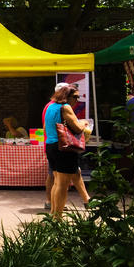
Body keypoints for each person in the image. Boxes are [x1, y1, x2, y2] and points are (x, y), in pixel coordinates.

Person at [45, 84, 90, 219]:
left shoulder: (51, 106)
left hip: (51, 146)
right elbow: (77, 128)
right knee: (63, 185)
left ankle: (53, 214)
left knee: (57, 182)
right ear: (66, 96)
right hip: (64, 148)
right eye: (75, 97)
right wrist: (85, 123)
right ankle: (57, 218)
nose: (77, 100)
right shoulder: (65, 107)